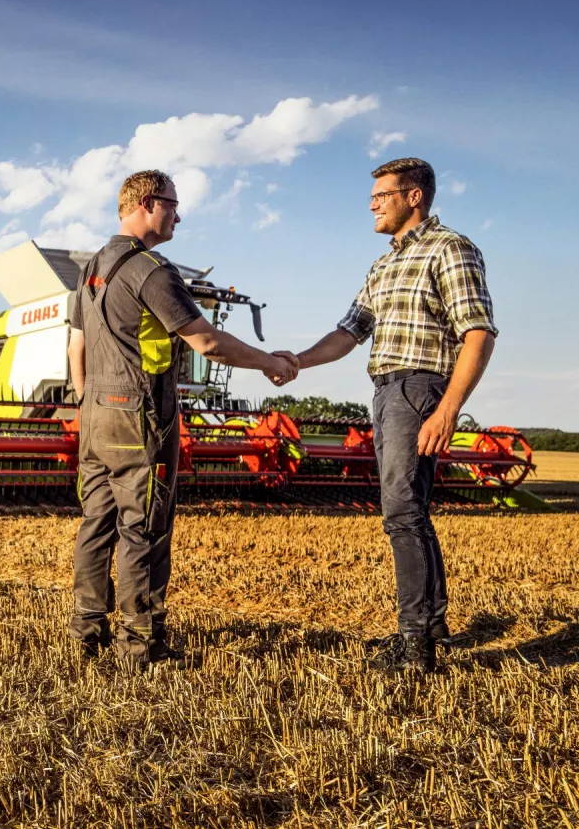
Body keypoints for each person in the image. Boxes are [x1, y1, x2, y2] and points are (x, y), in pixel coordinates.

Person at [67, 169, 297, 667]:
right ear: (148, 203)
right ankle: (141, 645)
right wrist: (270, 362)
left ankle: (86, 632)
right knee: (144, 529)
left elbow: (77, 347)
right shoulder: (152, 270)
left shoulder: (89, 271)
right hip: (140, 418)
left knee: (95, 524)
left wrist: (87, 405)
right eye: (172, 204)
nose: (178, 214)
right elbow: (206, 341)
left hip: (96, 417)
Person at [277, 157, 497, 674]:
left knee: (401, 510)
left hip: (420, 388)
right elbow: (349, 332)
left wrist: (448, 409)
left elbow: (478, 332)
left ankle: (414, 644)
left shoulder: (450, 249)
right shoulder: (384, 265)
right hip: (386, 391)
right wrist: (297, 362)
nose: (372, 204)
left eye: (383, 195)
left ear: (414, 196)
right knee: (411, 507)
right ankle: (433, 627)